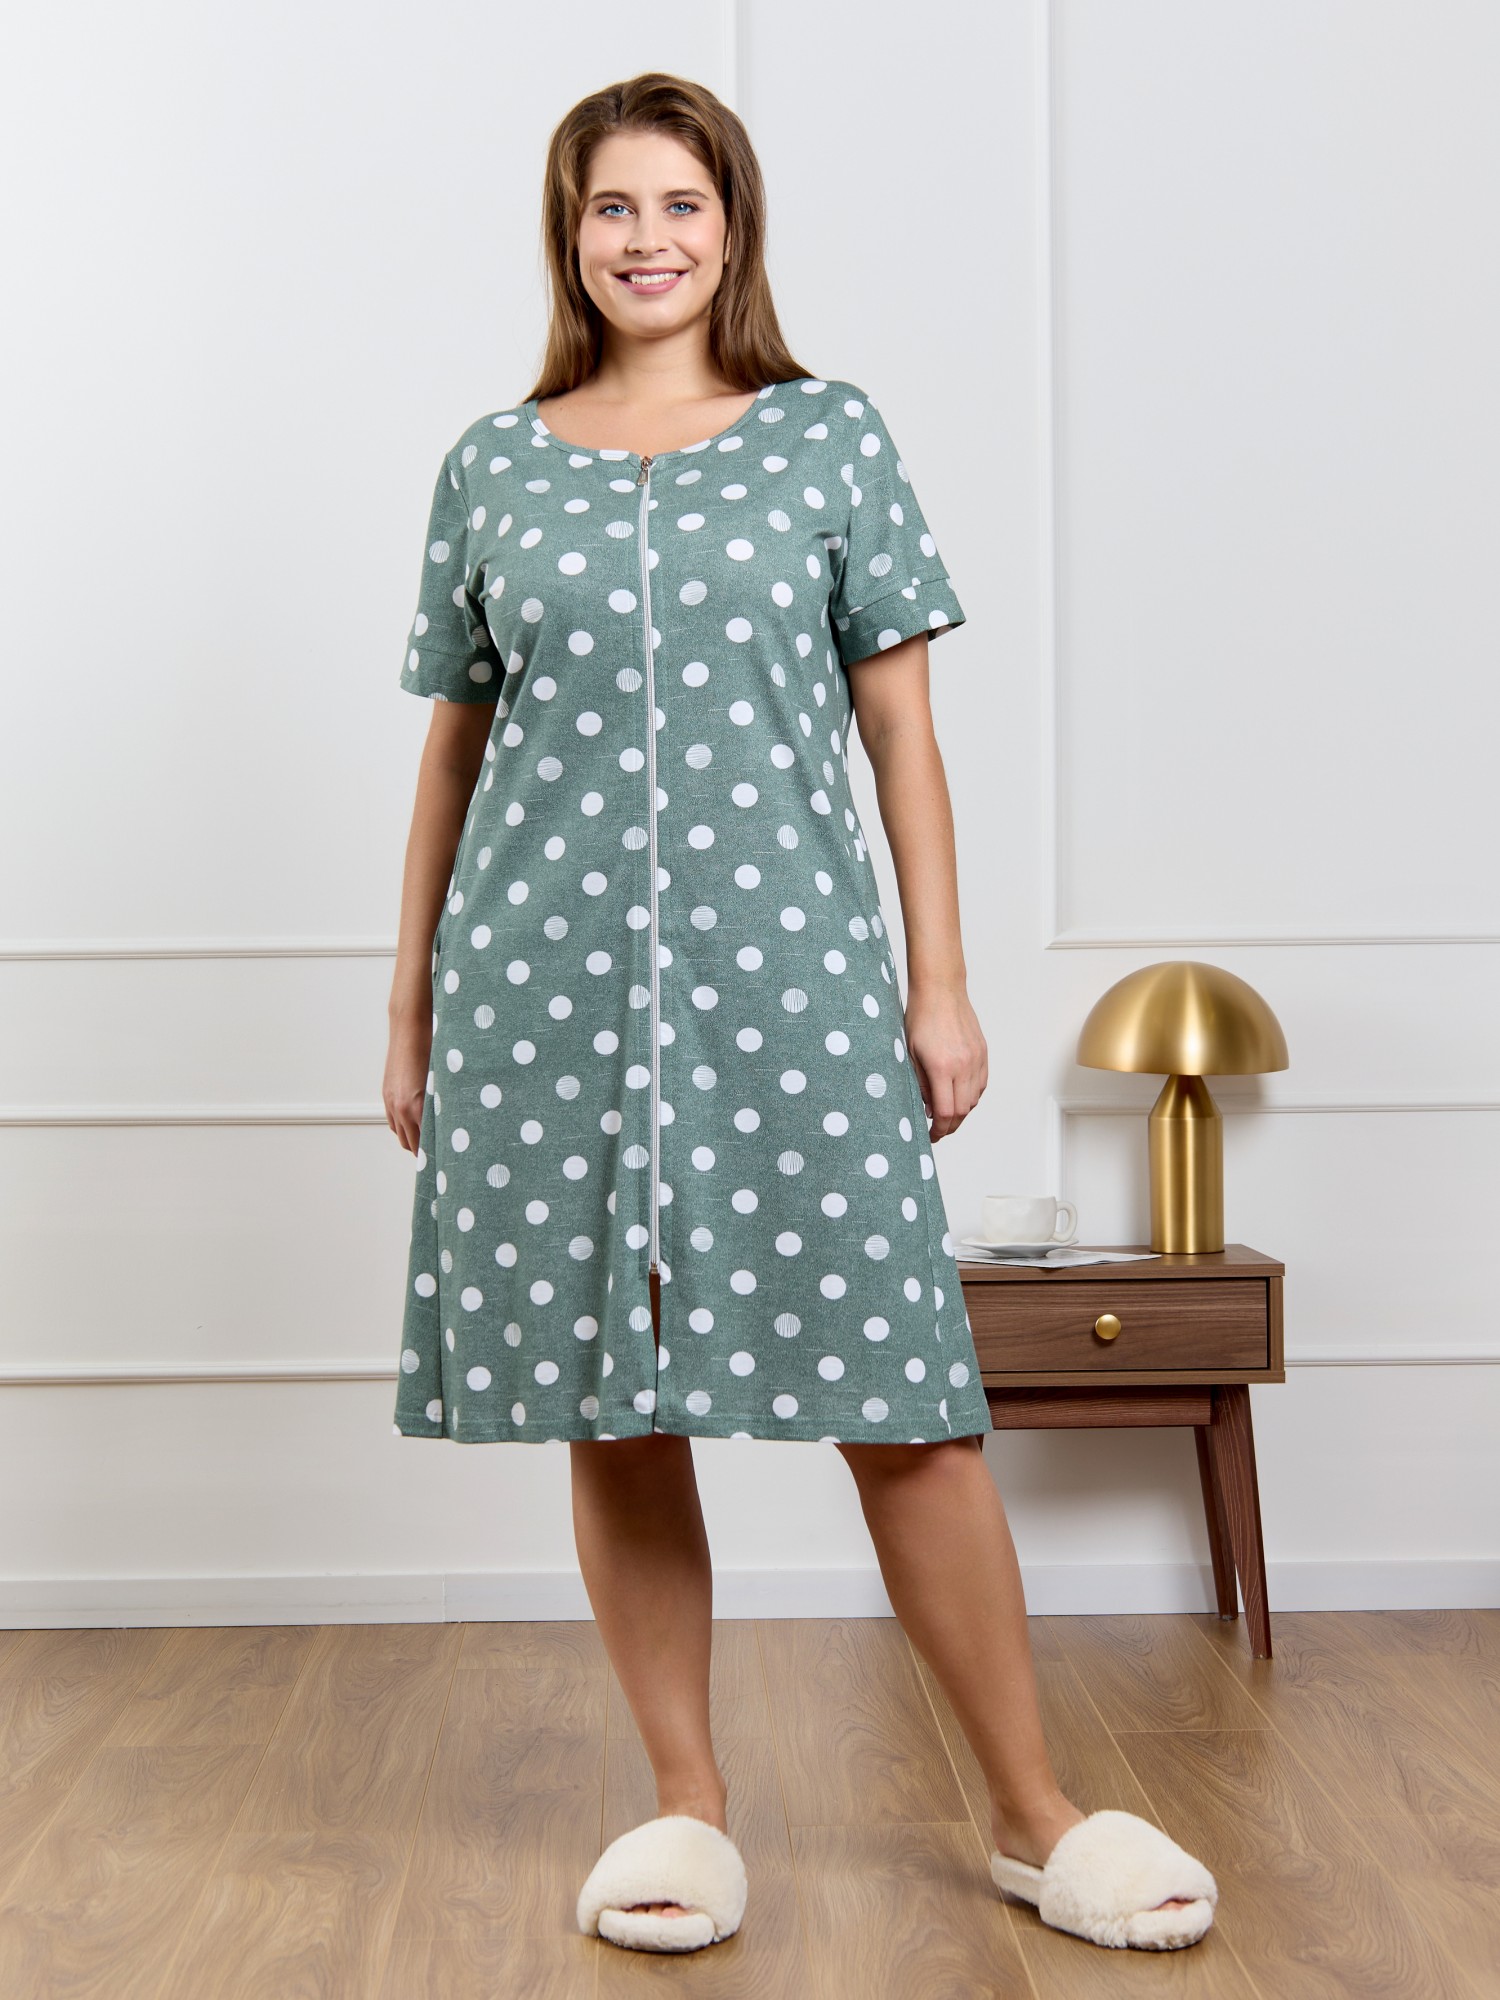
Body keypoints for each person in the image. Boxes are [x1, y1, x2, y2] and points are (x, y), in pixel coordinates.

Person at [383, 70, 1217, 1958]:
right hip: (541, 995)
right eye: (613, 206)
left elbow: (900, 731)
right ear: (569, 235)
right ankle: (686, 1805)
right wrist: (412, 999)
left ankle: (1035, 1815)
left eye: (681, 204)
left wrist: (943, 978)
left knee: (902, 1402)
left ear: (733, 228)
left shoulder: (829, 438)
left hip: (796, 987)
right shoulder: (492, 463)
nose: (647, 238)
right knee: (613, 1404)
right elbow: (453, 754)